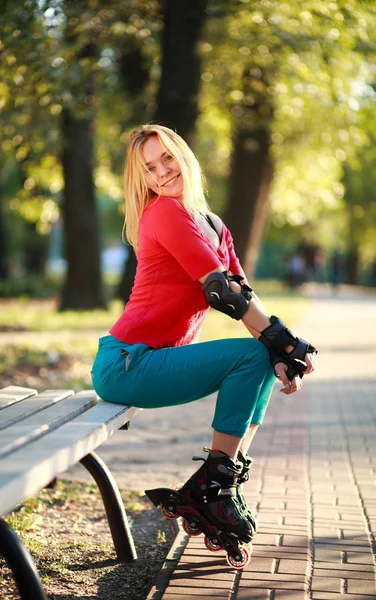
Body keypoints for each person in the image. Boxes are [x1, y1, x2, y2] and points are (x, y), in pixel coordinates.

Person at [91, 124, 317, 567]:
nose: (161, 173)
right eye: (149, 170)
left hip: (152, 360)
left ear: (184, 156)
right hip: (126, 362)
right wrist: (283, 343)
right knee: (256, 352)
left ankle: (218, 485)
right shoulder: (163, 214)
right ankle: (213, 490)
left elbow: (243, 292)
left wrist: (282, 351)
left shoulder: (212, 224)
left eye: (166, 159)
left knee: (263, 354)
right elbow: (223, 294)